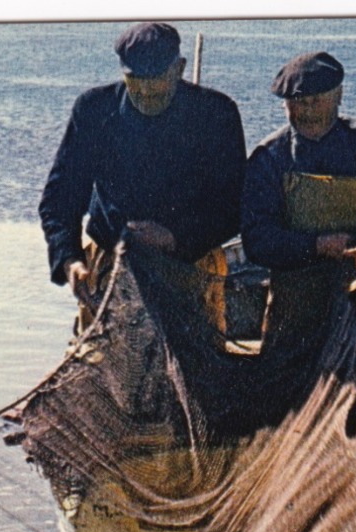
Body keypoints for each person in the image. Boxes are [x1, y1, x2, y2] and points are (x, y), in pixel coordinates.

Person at [38, 21, 245, 324]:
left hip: (192, 266)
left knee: (194, 364)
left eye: (157, 80)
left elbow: (235, 206)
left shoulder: (217, 113)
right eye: (136, 80)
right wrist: (69, 258)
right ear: (123, 72)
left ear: (180, 68)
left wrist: (175, 237)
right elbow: (59, 200)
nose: (146, 92)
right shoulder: (93, 109)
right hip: (111, 264)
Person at [240, 51, 356, 358]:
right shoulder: (269, 158)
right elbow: (257, 240)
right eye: (298, 102)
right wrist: (317, 245)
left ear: (339, 95)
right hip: (296, 300)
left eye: (318, 100)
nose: (308, 110)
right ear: (284, 105)